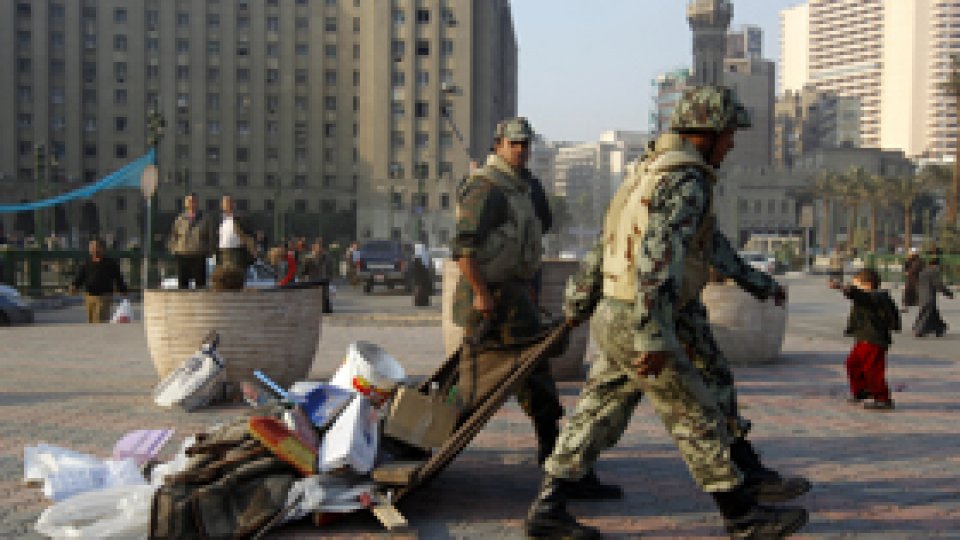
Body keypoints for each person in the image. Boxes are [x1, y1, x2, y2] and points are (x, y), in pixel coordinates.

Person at [525, 86, 808, 539]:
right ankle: (741, 517)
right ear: (708, 133)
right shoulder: (685, 180)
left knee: (600, 411)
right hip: (647, 315)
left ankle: (548, 510)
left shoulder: (648, 172)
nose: (732, 144)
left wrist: (581, 301)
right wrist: (653, 338)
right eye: (729, 135)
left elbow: (615, 243)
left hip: (626, 310)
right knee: (695, 412)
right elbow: (657, 260)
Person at [452, 117, 572, 482]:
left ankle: (555, 462)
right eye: (513, 144)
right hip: (491, 304)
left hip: (515, 302)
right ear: (498, 144)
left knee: (536, 383)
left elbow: (535, 234)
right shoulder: (486, 188)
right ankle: (416, 435)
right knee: (473, 386)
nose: (521, 151)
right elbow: (463, 249)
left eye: (525, 145)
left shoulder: (520, 188)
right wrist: (482, 295)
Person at [830, 268, 901, 410]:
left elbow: (860, 297)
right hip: (863, 338)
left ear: (867, 284)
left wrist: (843, 288)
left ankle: (882, 398)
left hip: (873, 340)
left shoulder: (877, 297)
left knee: (873, 370)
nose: (855, 287)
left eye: (856, 285)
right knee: (852, 364)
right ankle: (862, 390)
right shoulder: (871, 297)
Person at [69, 238, 128, 323]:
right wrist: (74, 286)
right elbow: (81, 277)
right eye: (91, 247)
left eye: (96, 247)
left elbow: (118, 277)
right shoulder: (87, 263)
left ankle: (101, 335)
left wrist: (123, 290)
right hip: (90, 296)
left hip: (104, 296)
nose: (93, 250)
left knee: (100, 319)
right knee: (91, 320)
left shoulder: (110, 263)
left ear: (103, 249)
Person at [168, 193, 214, 289]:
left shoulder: (205, 219)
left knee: (200, 284)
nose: (191, 204)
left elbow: (211, 236)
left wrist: (210, 251)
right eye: (189, 201)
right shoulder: (179, 219)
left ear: (197, 203)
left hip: (199, 254)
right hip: (183, 254)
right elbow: (174, 236)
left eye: (194, 201)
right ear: (185, 203)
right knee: (183, 285)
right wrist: (174, 249)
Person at [913, 258, 954, 337]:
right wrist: (948, 293)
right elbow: (938, 285)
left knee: (932, 314)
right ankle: (919, 330)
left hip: (922, 296)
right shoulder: (933, 272)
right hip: (929, 296)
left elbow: (918, 285)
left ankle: (939, 328)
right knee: (926, 314)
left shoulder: (922, 272)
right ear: (935, 265)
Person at [217, 195, 255, 272]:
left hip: (237, 252)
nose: (228, 205)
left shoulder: (241, 218)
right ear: (222, 205)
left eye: (230, 202)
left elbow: (249, 234)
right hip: (223, 252)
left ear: (234, 204)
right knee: (224, 277)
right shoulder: (218, 219)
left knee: (237, 275)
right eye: (226, 203)